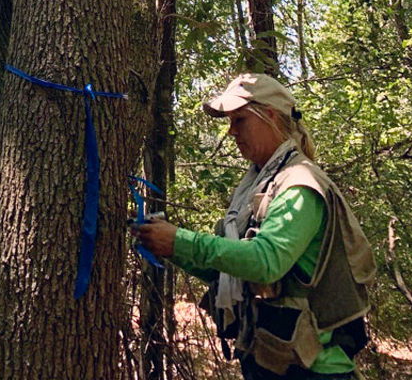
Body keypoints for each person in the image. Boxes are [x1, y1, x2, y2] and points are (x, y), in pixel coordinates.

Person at [136, 73, 377, 379]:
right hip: (270, 360)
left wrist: (180, 241)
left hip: (313, 369)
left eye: (240, 121)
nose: (232, 132)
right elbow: (229, 269)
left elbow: (265, 262)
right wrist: (168, 246)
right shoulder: (259, 182)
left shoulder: (300, 184)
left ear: (270, 116)